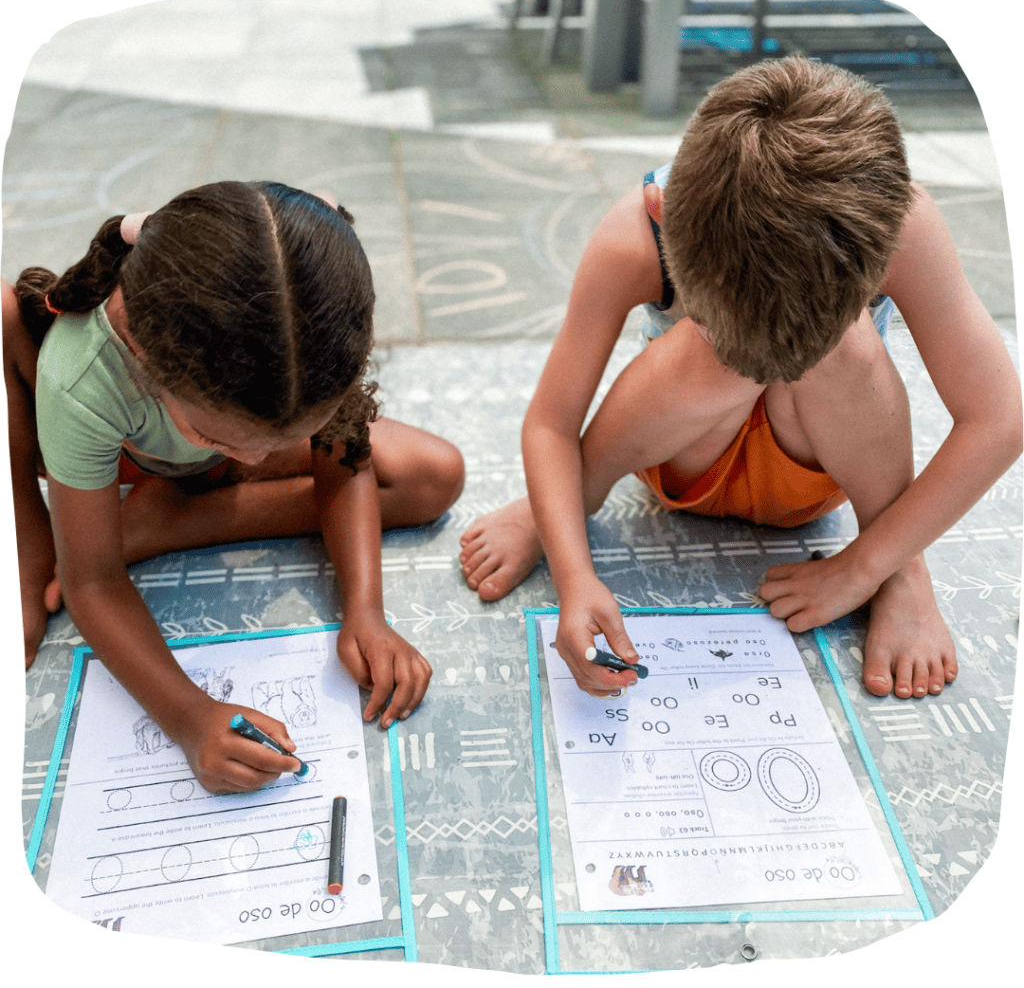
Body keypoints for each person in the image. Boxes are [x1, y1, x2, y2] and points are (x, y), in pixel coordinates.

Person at [459, 56, 1021, 701]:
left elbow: (1001, 419)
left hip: (822, 454)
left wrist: (866, 568)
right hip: (683, 447)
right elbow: (551, 421)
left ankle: (903, 569)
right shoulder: (633, 237)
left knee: (849, 342)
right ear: (662, 215)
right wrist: (573, 573)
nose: (766, 371)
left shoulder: (899, 222)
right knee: (705, 353)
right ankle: (565, 499)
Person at [4, 180, 464, 793]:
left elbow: (341, 456)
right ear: (147, 356)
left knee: (435, 476)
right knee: (83, 548)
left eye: (278, 442)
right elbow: (90, 581)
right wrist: (189, 717)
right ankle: (144, 508)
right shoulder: (82, 376)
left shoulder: (308, 321)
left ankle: (171, 521)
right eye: (221, 438)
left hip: (215, 424)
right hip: (132, 462)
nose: (254, 460)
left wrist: (365, 610)